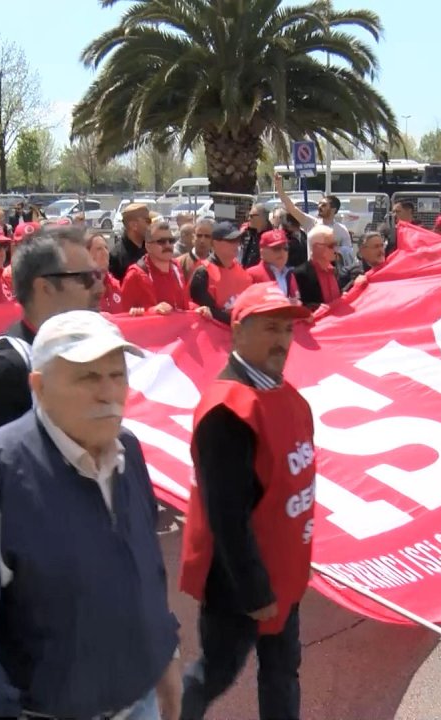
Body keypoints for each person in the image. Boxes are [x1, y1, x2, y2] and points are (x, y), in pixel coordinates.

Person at [0, 310, 182, 719]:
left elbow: (145, 568)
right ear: (39, 386)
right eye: (87, 377)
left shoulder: (128, 452)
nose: (108, 392)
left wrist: (165, 653)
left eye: (117, 375)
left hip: (140, 704)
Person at [179, 282, 316, 720]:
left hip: (283, 573)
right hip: (239, 584)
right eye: (270, 328)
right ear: (238, 333)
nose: (282, 340)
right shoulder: (227, 410)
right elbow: (228, 518)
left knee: (282, 670)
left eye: (287, 331)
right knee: (215, 672)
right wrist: (256, 593)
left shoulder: (286, 395)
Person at [0, 225, 105, 465]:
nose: (100, 288)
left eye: (99, 276)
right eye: (86, 278)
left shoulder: (77, 353)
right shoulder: (4, 369)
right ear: (44, 287)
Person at [273, 173, 353, 265]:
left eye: (324, 205)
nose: (319, 207)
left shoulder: (341, 230)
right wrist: (279, 186)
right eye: (319, 204)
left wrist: (333, 249)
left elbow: (349, 251)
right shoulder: (311, 223)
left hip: (333, 272)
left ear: (333, 209)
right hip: (313, 272)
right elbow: (291, 208)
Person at [121, 219, 191, 316]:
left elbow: (185, 305)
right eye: (161, 242)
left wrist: (198, 309)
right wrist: (152, 311)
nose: (168, 245)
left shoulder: (176, 268)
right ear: (148, 246)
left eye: (171, 241)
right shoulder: (135, 275)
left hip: (180, 330)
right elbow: (122, 315)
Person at [190, 221, 254, 324]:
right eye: (231, 240)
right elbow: (209, 313)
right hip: (216, 335)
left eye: (237, 240)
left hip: (241, 334)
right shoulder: (203, 273)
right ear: (215, 243)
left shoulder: (241, 271)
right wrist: (239, 321)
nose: (236, 244)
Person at [293, 226, 342, 309]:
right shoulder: (300, 274)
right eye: (331, 245)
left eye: (336, 244)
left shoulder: (334, 271)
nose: (336, 249)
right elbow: (297, 306)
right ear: (317, 247)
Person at [246, 229, 300, 300]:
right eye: (276, 248)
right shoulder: (251, 274)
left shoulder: (289, 274)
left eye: (285, 248)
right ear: (262, 252)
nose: (282, 252)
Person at [109, 202, 151, 281]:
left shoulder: (150, 248)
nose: (150, 225)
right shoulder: (116, 257)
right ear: (134, 225)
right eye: (147, 221)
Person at [88, 230, 126, 314]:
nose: (105, 252)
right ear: (87, 254)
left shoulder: (115, 285)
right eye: (99, 249)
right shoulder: (82, 288)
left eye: (106, 248)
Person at [239, 204, 270, 268]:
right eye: (248, 216)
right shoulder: (246, 233)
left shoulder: (271, 237)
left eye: (251, 216)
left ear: (262, 217)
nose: (248, 219)